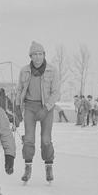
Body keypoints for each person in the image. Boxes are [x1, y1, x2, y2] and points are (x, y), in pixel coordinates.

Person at [15, 41, 60, 183]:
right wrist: (17, 106)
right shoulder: (24, 70)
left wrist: (46, 108)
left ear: (44, 55)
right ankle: (27, 169)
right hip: (29, 106)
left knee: (46, 139)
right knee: (28, 139)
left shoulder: (52, 71)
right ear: (30, 56)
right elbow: (19, 89)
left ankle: (49, 166)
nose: (38, 57)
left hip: (46, 107)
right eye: (34, 54)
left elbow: (56, 93)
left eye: (40, 54)